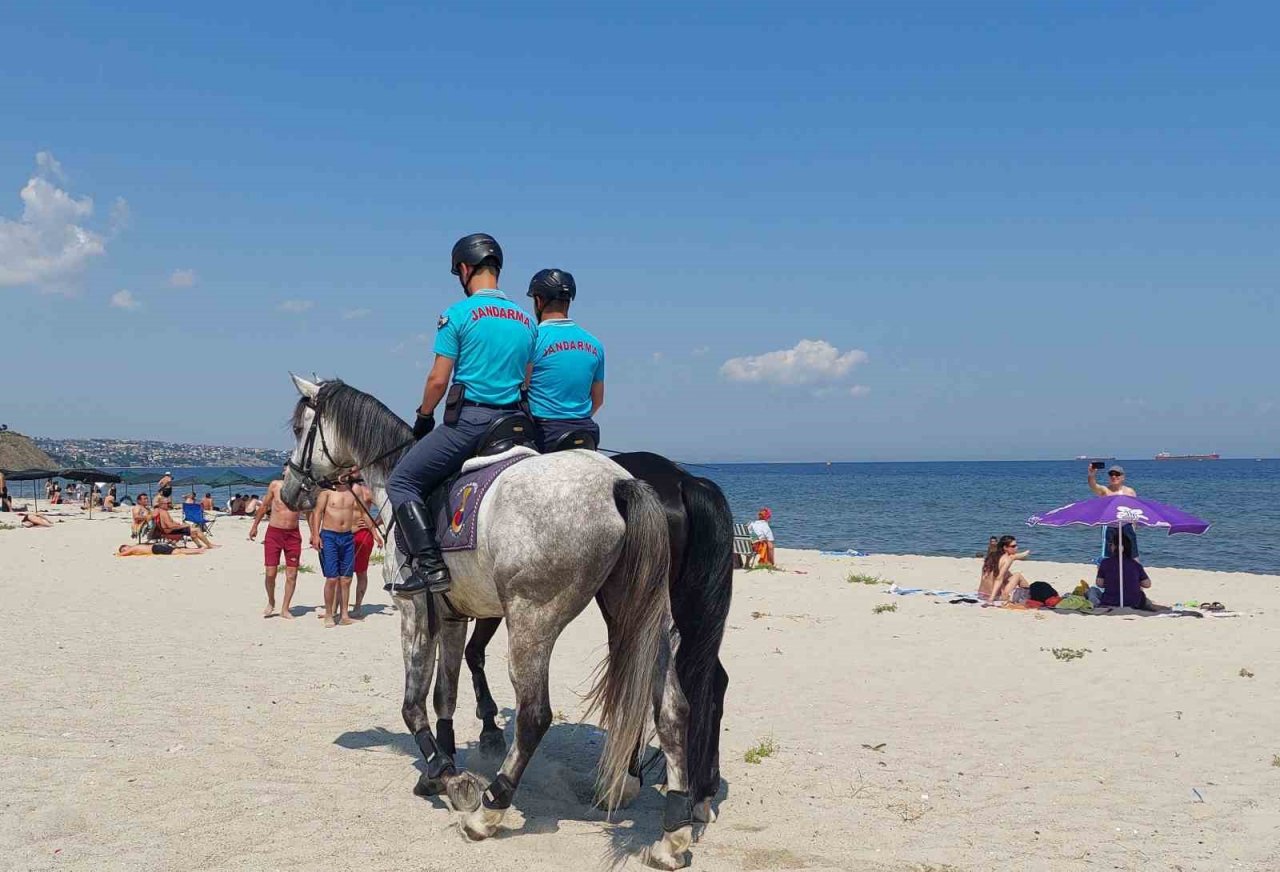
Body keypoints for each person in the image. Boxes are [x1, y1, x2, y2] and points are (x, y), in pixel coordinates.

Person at [386, 232, 537, 595]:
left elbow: (438, 379)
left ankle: (430, 566)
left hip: (471, 422)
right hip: (514, 424)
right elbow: (527, 381)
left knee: (401, 482)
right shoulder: (526, 321)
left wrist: (424, 416)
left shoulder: (457, 314)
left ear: (466, 269)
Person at [524, 268, 605, 451]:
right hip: (585, 433)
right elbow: (598, 400)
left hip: (544, 434)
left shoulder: (532, 339)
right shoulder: (595, 344)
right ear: (568, 302)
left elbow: (521, 387)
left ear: (539, 301)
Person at [250, 469, 309, 619]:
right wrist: (254, 526)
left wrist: (314, 533)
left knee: (292, 574)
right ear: (284, 471)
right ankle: (271, 601)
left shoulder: (302, 488)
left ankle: (285, 608)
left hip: (293, 535)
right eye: (289, 468)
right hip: (274, 533)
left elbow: (309, 512)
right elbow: (264, 507)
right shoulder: (275, 485)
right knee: (270, 573)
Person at [310, 475, 360, 626]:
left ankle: (344, 614)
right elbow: (317, 513)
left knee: (346, 579)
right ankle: (328, 614)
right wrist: (315, 535)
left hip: (347, 537)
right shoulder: (326, 493)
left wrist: (368, 527)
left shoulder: (353, 492)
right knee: (332, 578)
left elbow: (362, 512)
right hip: (329, 535)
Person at [349, 472, 383, 617]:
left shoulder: (367, 492)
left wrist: (375, 523)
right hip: (345, 533)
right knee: (342, 573)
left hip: (363, 533)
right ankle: (337, 607)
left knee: (361, 572)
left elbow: (387, 506)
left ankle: (357, 606)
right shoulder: (340, 490)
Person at [1087, 463, 1139, 557]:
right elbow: (1093, 486)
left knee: (1132, 554)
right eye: (1111, 474)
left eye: (1117, 474)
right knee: (1108, 555)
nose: (1114, 476)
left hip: (1127, 525)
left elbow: (1135, 511)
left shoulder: (1130, 492)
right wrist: (1091, 474)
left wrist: (1134, 527)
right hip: (1109, 525)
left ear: (1123, 477)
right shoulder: (1105, 490)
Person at [1094, 539, 1155, 610]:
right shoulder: (1135, 564)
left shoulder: (1105, 563)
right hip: (1135, 602)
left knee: (1093, 591)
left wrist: (1111, 582)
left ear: (1116, 547)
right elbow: (1147, 584)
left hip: (1110, 601)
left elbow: (1099, 584)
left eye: (1111, 545)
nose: (1110, 547)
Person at [989, 535, 1031, 602]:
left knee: (1008, 574)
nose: (1017, 548)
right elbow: (998, 579)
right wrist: (991, 599)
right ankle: (1029, 594)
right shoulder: (1007, 559)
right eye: (1013, 546)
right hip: (995, 596)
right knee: (1017, 575)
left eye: (1016, 545)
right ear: (1005, 547)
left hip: (982, 593)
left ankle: (1028, 593)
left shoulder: (992, 556)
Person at [117, 542, 207, 556]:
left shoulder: (132, 548)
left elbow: (122, 554)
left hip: (156, 549)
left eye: (124, 549)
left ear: (126, 547)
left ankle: (198, 550)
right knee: (178, 550)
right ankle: (197, 550)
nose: (125, 551)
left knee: (178, 551)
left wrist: (118, 554)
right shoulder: (136, 546)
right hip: (156, 547)